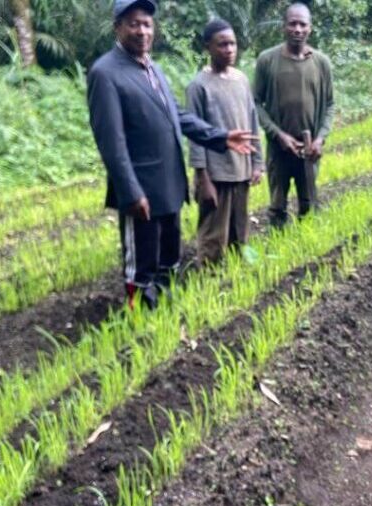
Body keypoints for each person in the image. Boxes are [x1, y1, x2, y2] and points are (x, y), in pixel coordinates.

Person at [87, 0, 255, 309]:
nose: (142, 31)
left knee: (169, 257)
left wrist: (220, 136)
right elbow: (112, 143)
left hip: (169, 184)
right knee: (142, 263)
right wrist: (131, 191)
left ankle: (163, 311)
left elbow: (177, 115)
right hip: (142, 189)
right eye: (134, 23)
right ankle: (139, 321)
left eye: (147, 24)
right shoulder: (105, 73)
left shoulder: (153, 67)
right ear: (118, 27)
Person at [186, 19, 264, 265]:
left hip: (241, 170)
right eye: (222, 45)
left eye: (232, 44)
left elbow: (252, 121)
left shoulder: (241, 79)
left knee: (238, 231)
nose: (229, 49)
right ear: (208, 47)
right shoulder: (199, 86)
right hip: (215, 174)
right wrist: (202, 177)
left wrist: (257, 162)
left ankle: (233, 277)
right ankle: (208, 278)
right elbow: (195, 135)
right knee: (213, 233)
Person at [253, 2, 335, 228]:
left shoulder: (321, 63)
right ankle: (280, 253)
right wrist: (278, 135)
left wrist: (320, 139)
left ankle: (306, 253)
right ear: (283, 27)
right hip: (279, 149)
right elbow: (256, 103)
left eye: (302, 24)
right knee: (277, 207)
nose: (297, 29)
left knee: (308, 204)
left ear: (310, 28)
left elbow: (330, 104)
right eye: (292, 24)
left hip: (309, 151)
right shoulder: (267, 60)